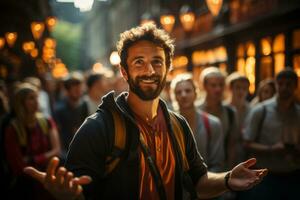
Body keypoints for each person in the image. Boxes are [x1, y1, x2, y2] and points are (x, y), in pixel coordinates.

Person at [24, 23, 267, 200]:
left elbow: (199, 180)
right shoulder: (98, 128)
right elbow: (80, 191)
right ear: (124, 71)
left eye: (157, 61)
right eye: (139, 62)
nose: (149, 70)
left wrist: (227, 180)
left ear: (168, 68)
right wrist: (68, 196)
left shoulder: (177, 125)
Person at [241, 68, 300, 199]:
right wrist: (271, 149)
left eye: (288, 84)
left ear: (295, 86)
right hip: (265, 176)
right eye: (281, 84)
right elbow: (246, 143)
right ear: (276, 84)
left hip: (294, 175)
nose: (284, 88)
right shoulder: (260, 110)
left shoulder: (298, 113)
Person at [4, 83, 61, 199]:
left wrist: (32, 159)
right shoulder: (13, 128)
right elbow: (17, 165)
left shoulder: (46, 121)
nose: (36, 101)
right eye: (31, 98)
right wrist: (45, 157)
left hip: (49, 176)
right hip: (26, 184)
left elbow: (56, 151)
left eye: (36, 97)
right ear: (20, 102)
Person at [170, 73, 224, 172]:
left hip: (207, 180)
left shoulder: (212, 123)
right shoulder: (168, 124)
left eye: (188, 91)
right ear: (174, 97)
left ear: (196, 93)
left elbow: (217, 162)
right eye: (179, 92)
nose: (183, 95)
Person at [199, 67, 238, 169]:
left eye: (221, 85)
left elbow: (232, 145)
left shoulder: (230, 112)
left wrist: (230, 172)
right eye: (213, 85)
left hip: (221, 168)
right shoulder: (195, 110)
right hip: (197, 168)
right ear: (204, 86)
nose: (218, 89)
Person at [226, 72, 251, 163]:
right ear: (230, 88)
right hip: (225, 156)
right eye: (238, 88)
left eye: (244, 88)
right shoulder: (224, 108)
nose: (241, 91)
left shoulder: (251, 110)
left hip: (246, 157)